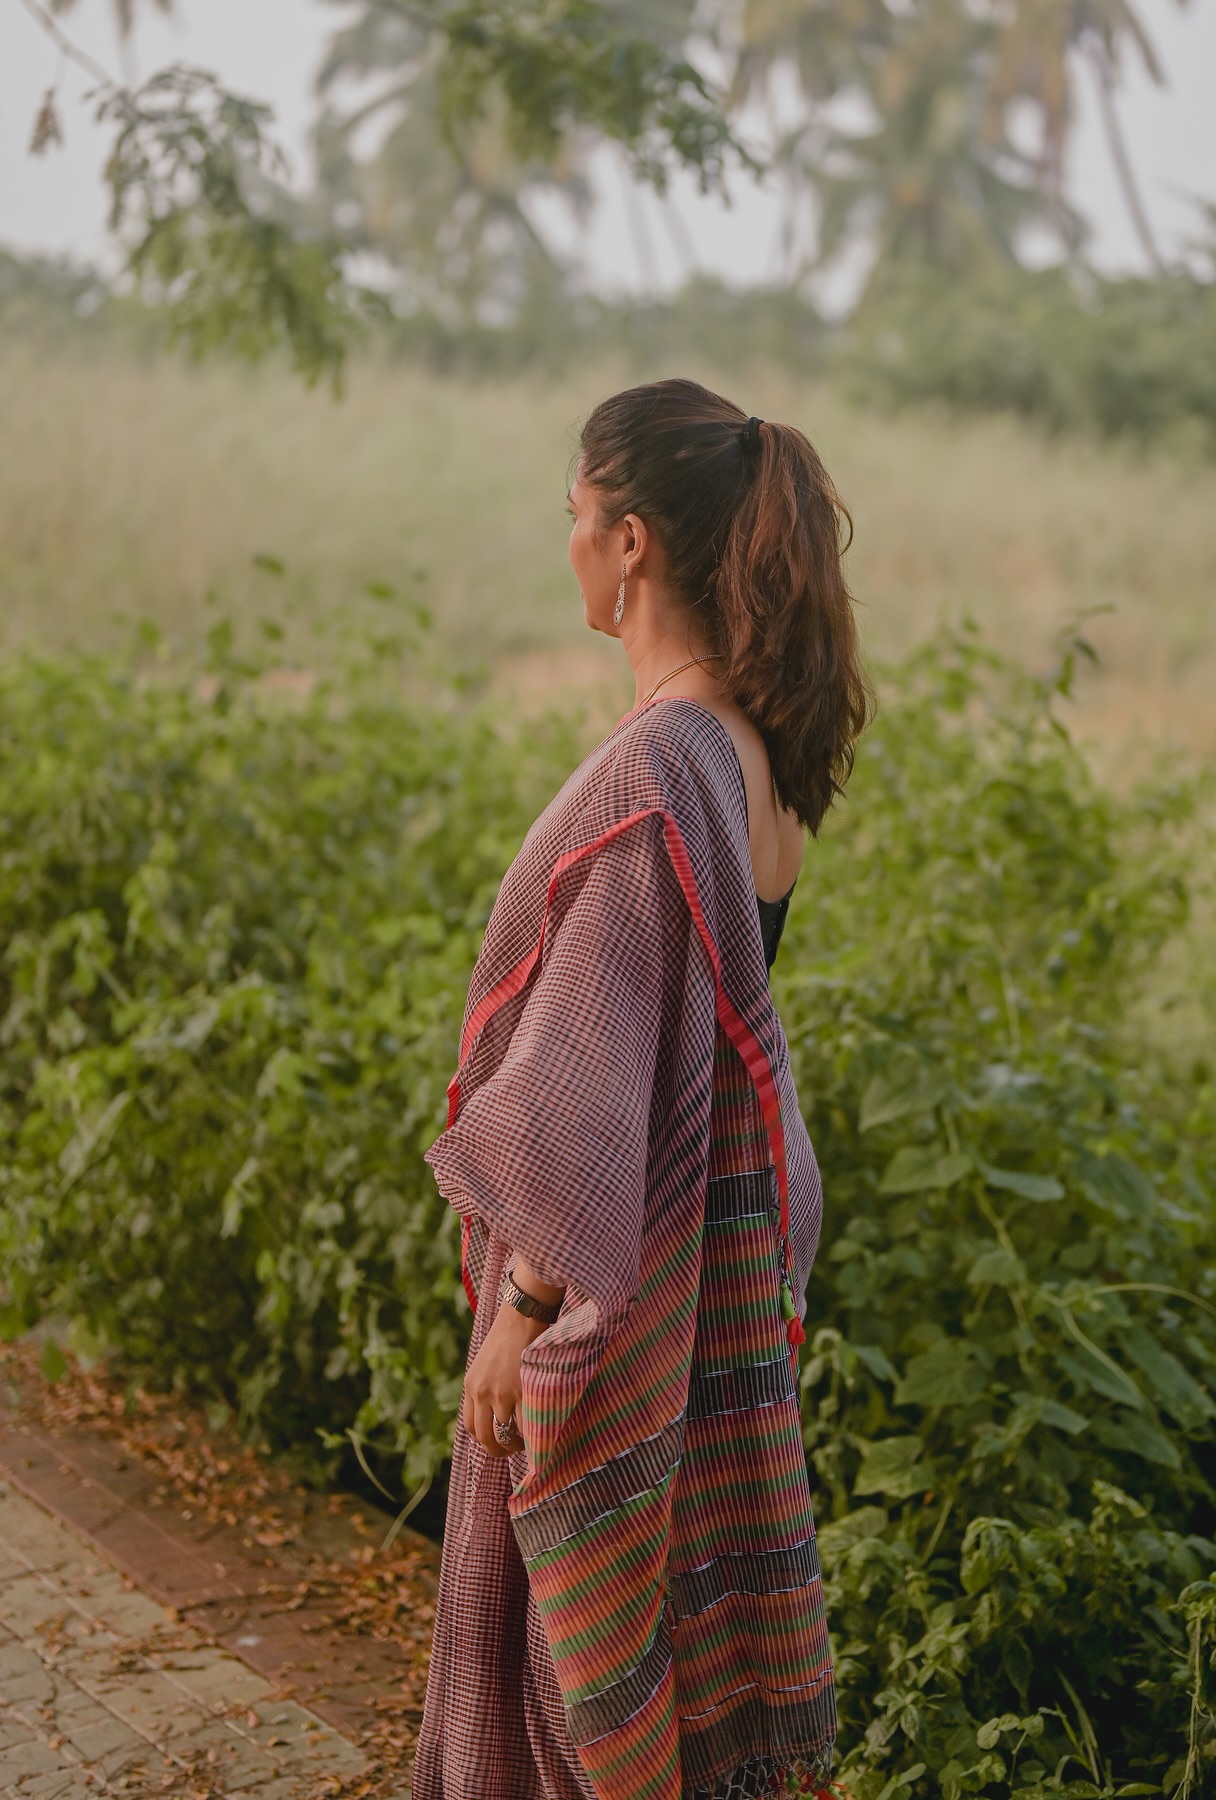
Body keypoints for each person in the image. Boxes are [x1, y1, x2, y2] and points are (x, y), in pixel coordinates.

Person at [413, 378, 871, 1800]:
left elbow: (594, 1065)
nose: (566, 546)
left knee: (568, 1641)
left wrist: (526, 1308)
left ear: (632, 546)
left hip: (618, 1257)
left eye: (573, 518)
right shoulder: (761, 755)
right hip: (714, 1248)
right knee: (664, 1610)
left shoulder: (662, 760)